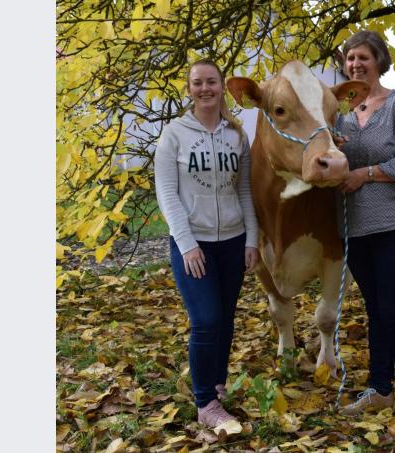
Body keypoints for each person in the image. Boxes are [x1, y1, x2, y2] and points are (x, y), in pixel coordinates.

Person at [154, 59, 259, 428]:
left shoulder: (237, 135)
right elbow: (166, 193)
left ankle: (216, 384)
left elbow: (244, 189)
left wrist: (253, 238)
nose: (205, 89)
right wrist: (186, 244)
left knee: (226, 319)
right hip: (193, 243)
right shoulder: (174, 135)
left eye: (211, 82)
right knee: (206, 320)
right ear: (189, 89)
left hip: (233, 241)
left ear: (220, 86)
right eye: (197, 83)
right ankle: (205, 405)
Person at [333, 31, 395, 416]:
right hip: (355, 229)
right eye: (350, 58)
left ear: (379, 61)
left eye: (363, 57)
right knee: (374, 309)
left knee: (391, 308)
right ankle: (378, 387)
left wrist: (367, 173)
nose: (355, 64)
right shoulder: (340, 116)